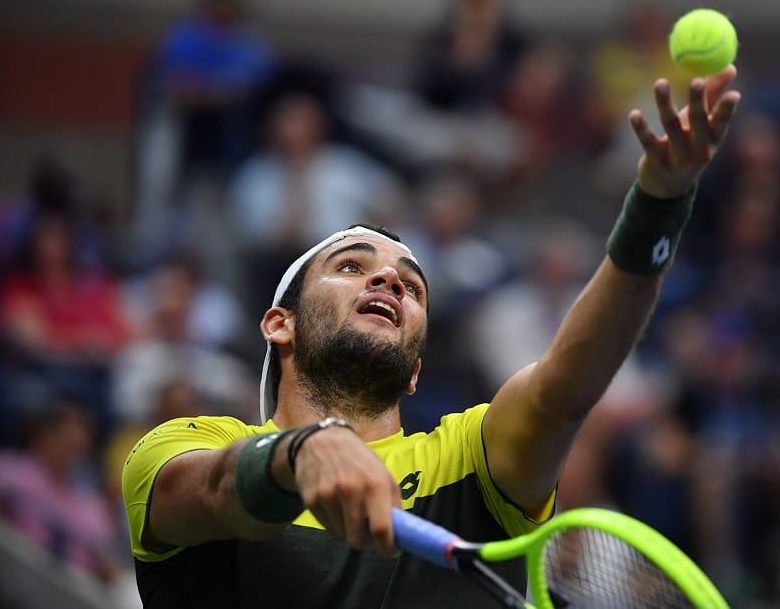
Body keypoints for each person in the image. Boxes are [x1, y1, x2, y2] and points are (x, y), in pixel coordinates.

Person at [121, 66, 741, 607]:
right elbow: (210, 489)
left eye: (412, 287)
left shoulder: (469, 459)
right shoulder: (189, 444)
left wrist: (658, 204)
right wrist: (298, 455)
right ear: (278, 324)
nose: (389, 277)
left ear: (415, 369)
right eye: (350, 267)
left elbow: (562, 388)